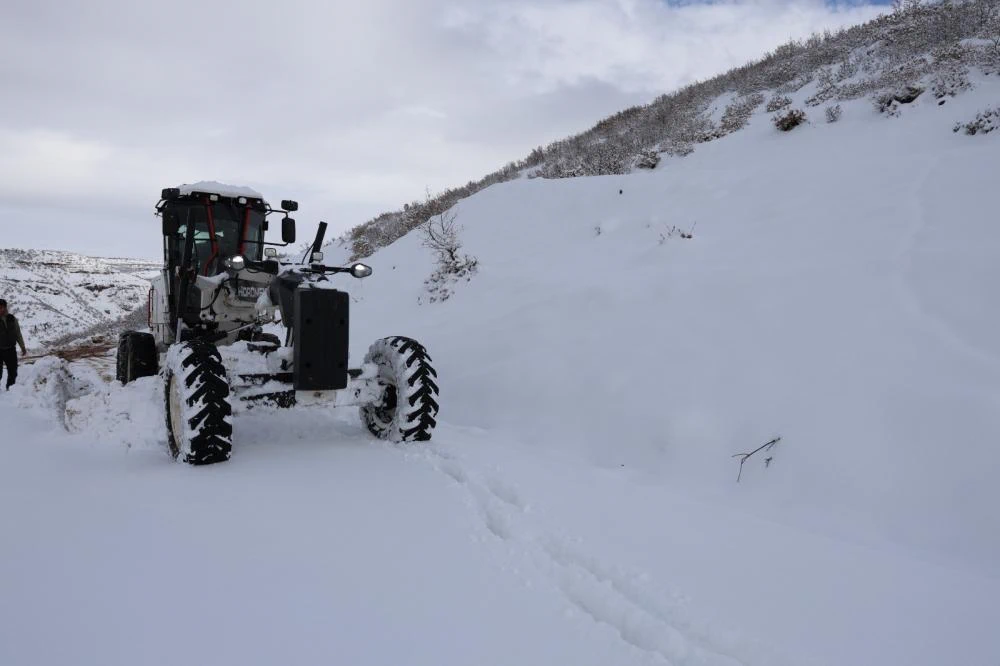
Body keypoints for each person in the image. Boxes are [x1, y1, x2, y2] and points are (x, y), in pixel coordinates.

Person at [0, 299, 27, 390]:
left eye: (2, 307)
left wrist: (22, 347)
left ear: (5, 307)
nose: (1, 309)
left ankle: (10, 390)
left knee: (13, 371)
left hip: (11, 349)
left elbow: (18, 333)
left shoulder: (12, 318)